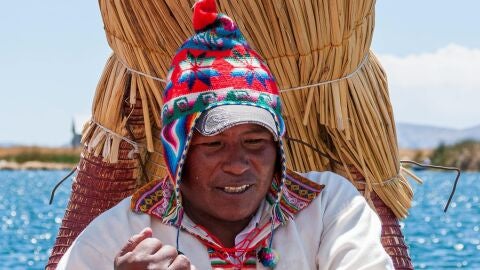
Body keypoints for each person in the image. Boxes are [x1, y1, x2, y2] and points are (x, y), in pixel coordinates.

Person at [56, 0, 394, 269]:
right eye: (214, 144)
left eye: (255, 141)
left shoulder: (328, 207)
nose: (237, 164)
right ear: (178, 155)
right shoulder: (117, 235)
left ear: (278, 147)